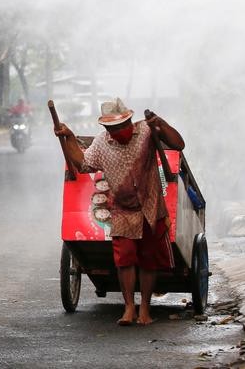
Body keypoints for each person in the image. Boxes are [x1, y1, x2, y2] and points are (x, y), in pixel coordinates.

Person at [54, 97, 185, 326]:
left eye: (122, 125)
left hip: (152, 207)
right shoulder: (102, 144)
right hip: (122, 210)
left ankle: (145, 308)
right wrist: (69, 137)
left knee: (148, 261)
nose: (118, 131)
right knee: (124, 260)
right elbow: (82, 164)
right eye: (112, 128)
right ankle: (128, 308)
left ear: (130, 121)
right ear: (106, 128)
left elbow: (178, 144)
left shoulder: (146, 131)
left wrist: (161, 124)